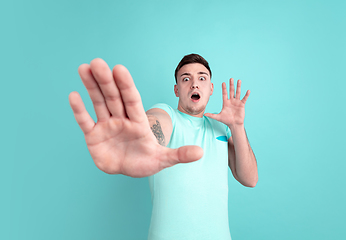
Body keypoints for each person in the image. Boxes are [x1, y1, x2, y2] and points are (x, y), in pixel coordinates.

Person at [69, 54, 258, 240]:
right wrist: (141, 139)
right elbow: (155, 124)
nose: (194, 84)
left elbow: (250, 179)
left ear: (211, 88)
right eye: (186, 79)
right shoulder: (167, 113)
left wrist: (237, 126)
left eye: (202, 78)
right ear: (177, 90)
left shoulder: (221, 128)